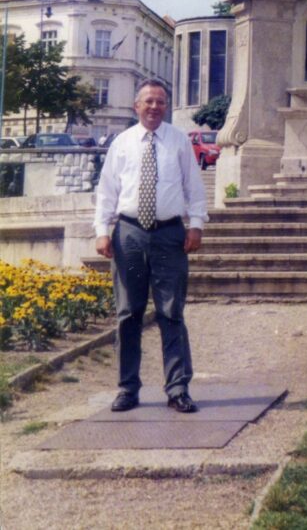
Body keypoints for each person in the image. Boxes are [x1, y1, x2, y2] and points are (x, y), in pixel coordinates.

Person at [94, 79, 208, 414]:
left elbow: (194, 187)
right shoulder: (122, 143)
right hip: (129, 234)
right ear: (136, 106)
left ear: (166, 106)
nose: (154, 107)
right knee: (128, 313)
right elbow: (107, 191)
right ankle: (128, 388)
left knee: (171, 312)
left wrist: (196, 225)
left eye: (160, 102)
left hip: (169, 235)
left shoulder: (178, 142)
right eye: (148, 101)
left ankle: (177, 388)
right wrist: (102, 231)